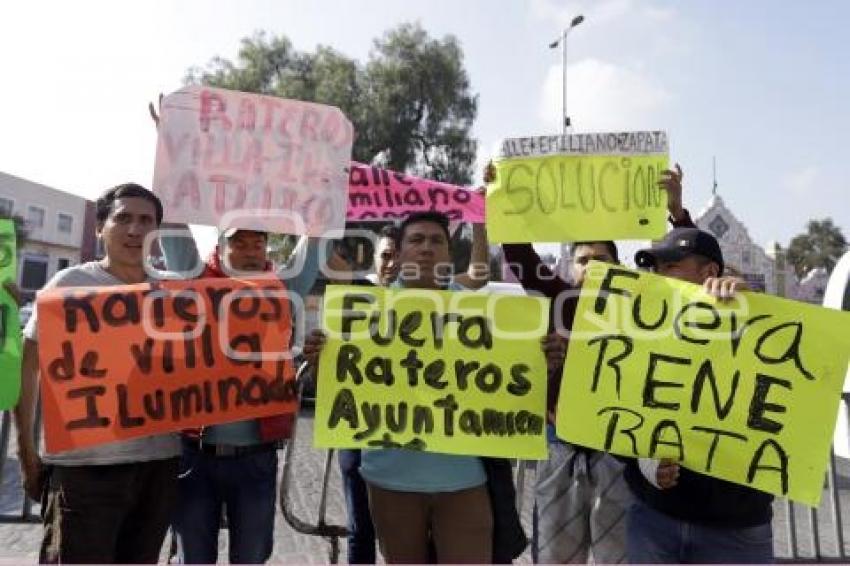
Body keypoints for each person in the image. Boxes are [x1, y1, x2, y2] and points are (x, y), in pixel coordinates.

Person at [304, 211, 559, 563]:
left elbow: (514, 389)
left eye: (436, 241)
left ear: (449, 254)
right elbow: (338, 393)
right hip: (389, 480)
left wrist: (540, 360)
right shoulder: (364, 313)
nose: (426, 248)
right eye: (416, 240)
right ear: (401, 252)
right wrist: (322, 361)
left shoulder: (483, 314)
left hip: (465, 481)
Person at [496, 163, 696, 564]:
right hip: (561, 451)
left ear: (618, 267)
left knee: (616, 558)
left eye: (602, 258)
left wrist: (676, 211)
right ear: (570, 268)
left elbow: (685, 277)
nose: (593, 266)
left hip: (617, 455)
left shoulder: (639, 306)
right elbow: (517, 252)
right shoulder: (558, 298)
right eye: (584, 259)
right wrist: (504, 197)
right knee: (556, 558)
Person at [15, 183, 181, 564]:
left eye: (146, 220)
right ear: (99, 228)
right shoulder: (68, 286)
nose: (135, 230)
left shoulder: (177, 291)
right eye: (123, 218)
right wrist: (26, 452)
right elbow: (29, 370)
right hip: (84, 473)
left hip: (158, 467)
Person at [159, 224, 324, 564]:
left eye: (258, 243)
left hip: (255, 459)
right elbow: (172, 226)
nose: (250, 251)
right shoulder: (196, 281)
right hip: (195, 456)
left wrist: (325, 198)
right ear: (220, 247)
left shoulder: (284, 289)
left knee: (250, 557)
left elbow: (317, 235)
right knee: (192, 557)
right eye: (240, 243)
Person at [624, 227, 773, 564]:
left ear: (709, 273)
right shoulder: (639, 331)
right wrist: (644, 463)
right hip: (654, 521)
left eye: (671, 267)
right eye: (656, 268)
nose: (659, 276)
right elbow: (618, 412)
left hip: (736, 531)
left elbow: (795, 383)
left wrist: (759, 312)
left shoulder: (754, 324)